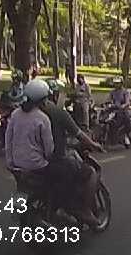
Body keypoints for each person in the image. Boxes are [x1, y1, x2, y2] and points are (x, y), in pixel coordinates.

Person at [36, 78, 104, 227]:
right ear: (53, 95)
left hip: (28, 163)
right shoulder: (58, 113)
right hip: (53, 161)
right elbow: (79, 134)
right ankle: (84, 210)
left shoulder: (27, 114)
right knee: (90, 173)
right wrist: (94, 145)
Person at [5, 78, 54, 179]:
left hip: (16, 164)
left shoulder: (15, 114)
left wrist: (10, 161)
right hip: (37, 166)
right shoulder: (43, 118)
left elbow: (8, 139)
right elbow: (49, 149)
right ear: (41, 100)